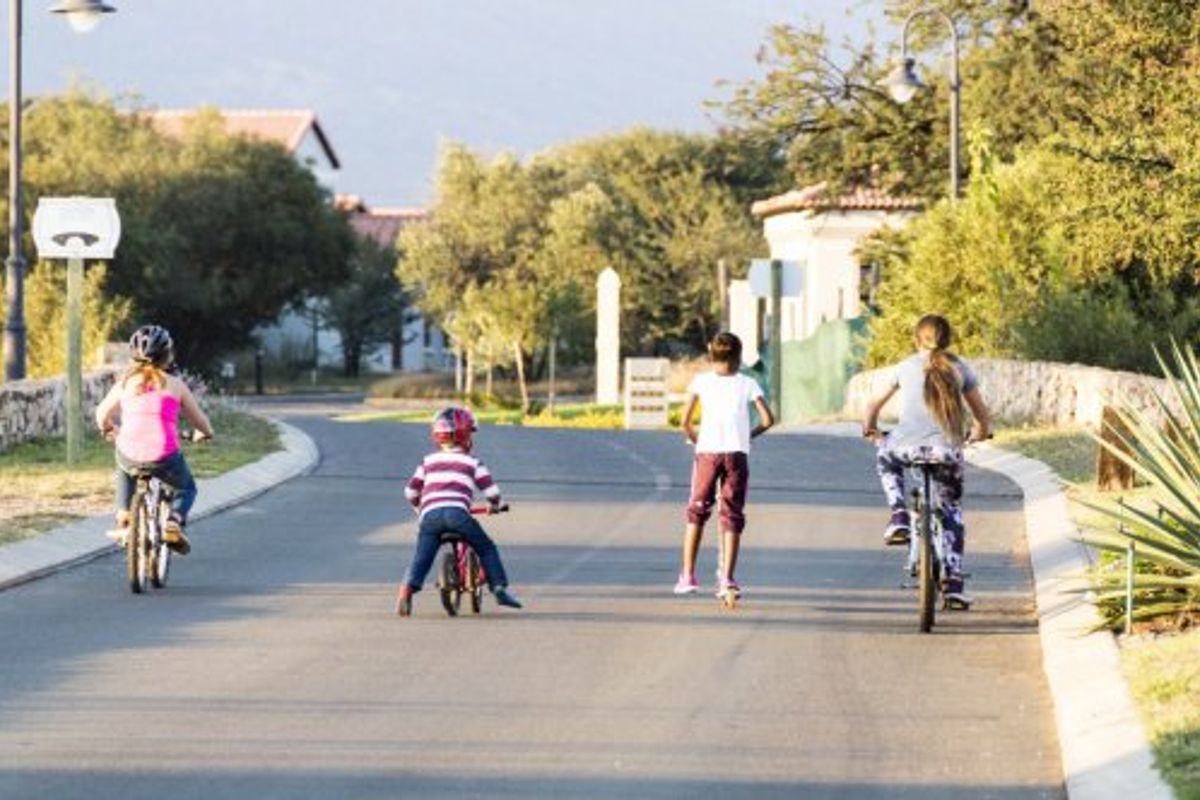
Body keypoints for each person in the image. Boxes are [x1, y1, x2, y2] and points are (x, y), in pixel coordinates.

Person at [862, 313, 993, 610]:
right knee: (952, 512)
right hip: (946, 451)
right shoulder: (960, 369)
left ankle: (898, 515)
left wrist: (870, 428)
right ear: (949, 339)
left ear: (916, 339)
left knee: (885, 456)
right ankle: (955, 583)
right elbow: (982, 418)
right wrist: (977, 434)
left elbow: (872, 405)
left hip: (905, 448)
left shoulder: (904, 367)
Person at [95, 324, 214, 554]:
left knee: (124, 465)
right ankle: (175, 520)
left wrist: (108, 428)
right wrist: (205, 433)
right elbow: (201, 422)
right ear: (168, 356)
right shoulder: (176, 386)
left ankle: (124, 516)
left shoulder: (126, 384)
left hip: (129, 452)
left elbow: (101, 414)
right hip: (164, 455)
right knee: (187, 488)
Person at [675, 331, 775, 601]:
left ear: (711, 354)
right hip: (736, 455)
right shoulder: (748, 383)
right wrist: (747, 436)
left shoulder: (701, 382)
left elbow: (684, 420)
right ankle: (727, 578)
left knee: (697, 511)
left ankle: (688, 575)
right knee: (732, 515)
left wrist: (696, 438)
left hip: (707, 453)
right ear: (740, 357)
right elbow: (768, 419)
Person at [395, 406, 522, 616]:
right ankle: (499, 589)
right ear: (465, 435)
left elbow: (410, 491)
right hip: (458, 515)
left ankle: (406, 591)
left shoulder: (427, 461)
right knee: (486, 548)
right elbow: (492, 491)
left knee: (422, 558)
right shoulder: (472, 462)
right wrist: (494, 504)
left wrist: (420, 508)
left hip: (430, 518)